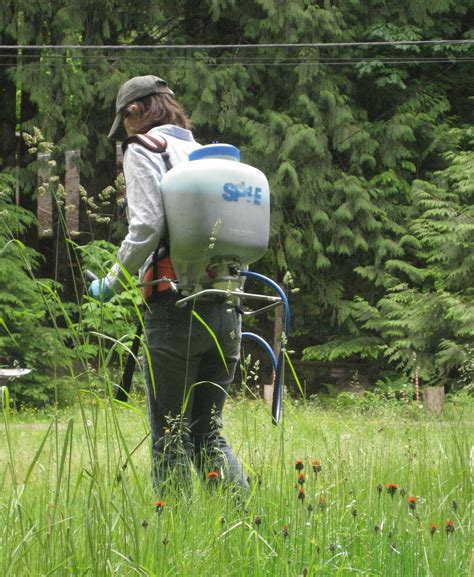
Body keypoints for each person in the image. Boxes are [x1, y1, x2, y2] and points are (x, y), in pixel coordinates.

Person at [88, 75, 249, 493]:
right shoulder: (209, 157)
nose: (125, 131)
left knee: (170, 438)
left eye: (124, 122)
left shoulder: (144, 148)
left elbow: (145, 226)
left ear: (135, 112)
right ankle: (246, 525)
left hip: (175, 311)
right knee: (207, 435)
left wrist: (111, 282)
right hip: (227, 310)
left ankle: (172, 540)